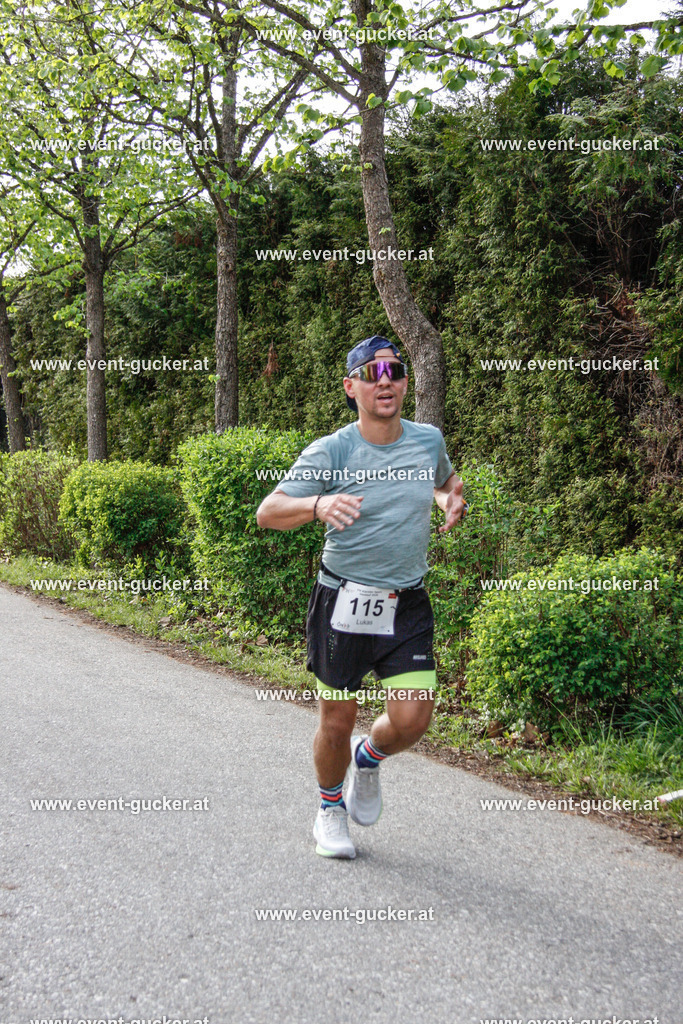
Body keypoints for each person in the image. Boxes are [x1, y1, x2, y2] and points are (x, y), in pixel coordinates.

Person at [256, 335, 466, 858]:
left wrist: (446, 500)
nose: (385, 381)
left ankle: (368, 760)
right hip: (343, 599)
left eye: (393, 371)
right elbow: (268, 511)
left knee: (414, 720)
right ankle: (330, 809)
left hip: (406, 600)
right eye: (372, 375)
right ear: (352, 387)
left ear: (405, 381)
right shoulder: (333, 449)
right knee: (336, 718)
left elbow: (444, 480)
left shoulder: (427, 439)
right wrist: (319, 504)